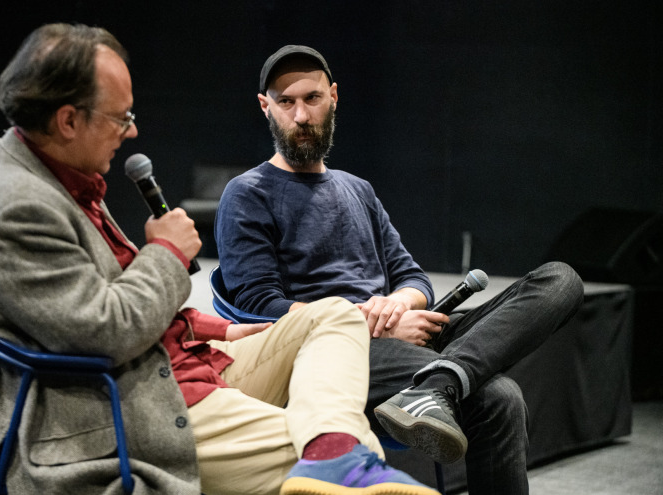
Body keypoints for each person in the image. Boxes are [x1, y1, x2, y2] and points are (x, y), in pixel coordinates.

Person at [0, 25, 441, 495]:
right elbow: (106, 331)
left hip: (183, 365)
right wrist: (165, 253)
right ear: (69, 120)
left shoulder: (56, 174)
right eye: (122, 118)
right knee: (364, 470)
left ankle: (333, 448)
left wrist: (216, 328)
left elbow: (100, 297)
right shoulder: (18, 207)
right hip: (133, 404)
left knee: (331, 314)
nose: (131, 132)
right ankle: (338, 453)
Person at [214, 44, 585, 495]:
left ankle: (440, 382)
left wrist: (397, 304)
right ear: (265, 107)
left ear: (333, 96)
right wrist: (366, 325)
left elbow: (413, 278)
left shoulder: (358, 189)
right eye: (285, 102)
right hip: (331, 354)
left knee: (560, 280)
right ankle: (442, 381)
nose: (301, 115)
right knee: (498, 396)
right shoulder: (247, 193)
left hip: (402, 337)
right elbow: (259, 307)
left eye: (311, 98)